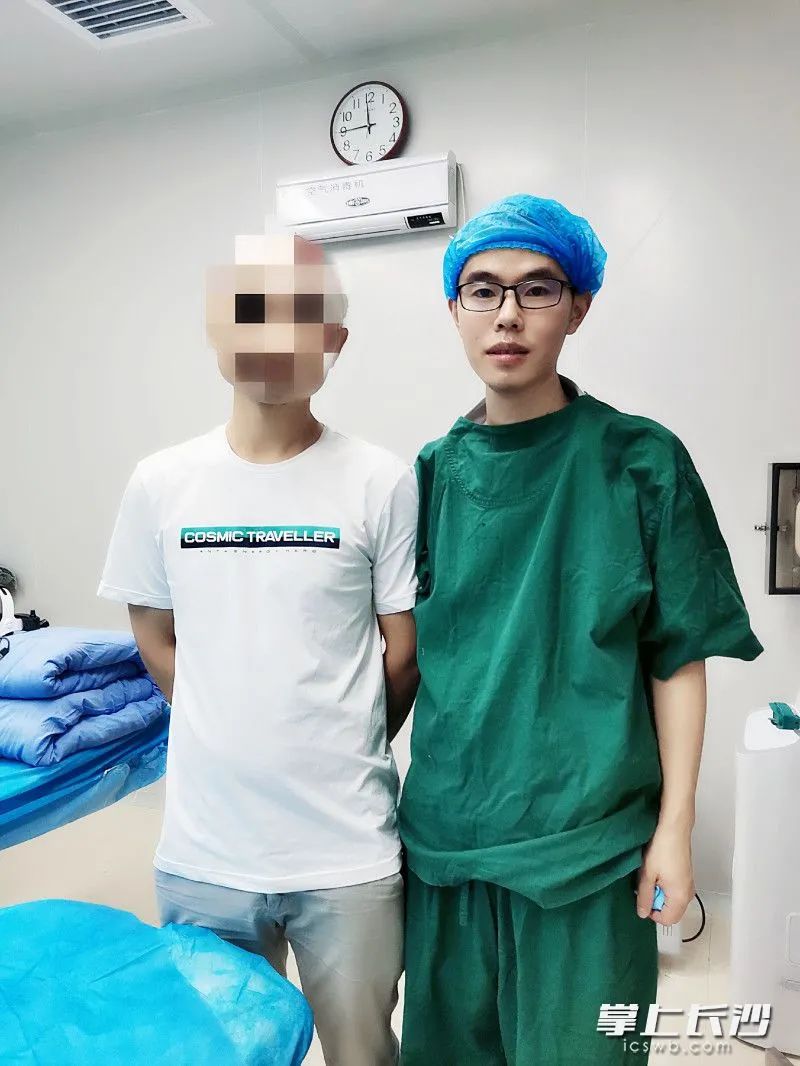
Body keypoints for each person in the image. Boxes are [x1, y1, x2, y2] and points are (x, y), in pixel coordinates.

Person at [397, 195, 763, 1065]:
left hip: (587, 851)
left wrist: (674, 828)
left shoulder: (639, 460)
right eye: (483, 290)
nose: (508, 315)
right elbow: (406, 658)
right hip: (446, 845)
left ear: (579, 307)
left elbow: (678, 656)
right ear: (454, 309)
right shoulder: (432, 473)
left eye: (538, 289)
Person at [98, 232, 419, 1066]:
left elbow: (403, 652)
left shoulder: (379, 480)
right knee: (220, 1053)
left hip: (347, 853)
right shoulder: (161, 483)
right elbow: (153, 635)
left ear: (333, 341)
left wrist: (333, 739)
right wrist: (230, 721)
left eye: (300, 316)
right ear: (216, 327)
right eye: (251, 311)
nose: (274, 334)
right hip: (205, 854)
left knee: (363, 1053)